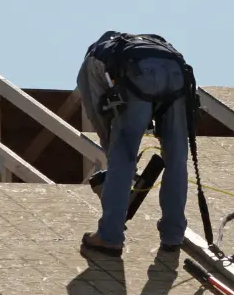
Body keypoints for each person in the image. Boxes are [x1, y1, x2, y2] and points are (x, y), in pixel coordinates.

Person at [77, 31, 191, 256]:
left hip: (138, 73)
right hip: (176, 73)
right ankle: (173, 236)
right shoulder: (152, 45)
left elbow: (102, 121)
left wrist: (119, 168)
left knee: (122, 156)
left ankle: (110, 236)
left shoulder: (91, 64)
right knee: (177, 157)